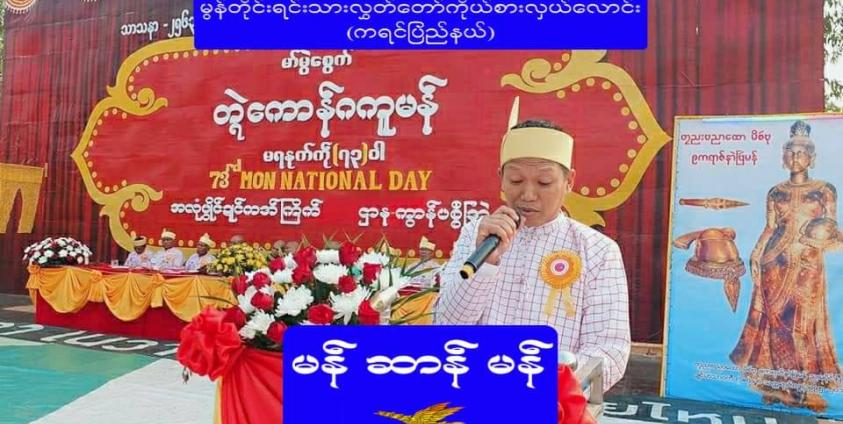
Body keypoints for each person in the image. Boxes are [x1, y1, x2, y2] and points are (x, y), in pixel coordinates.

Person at [434, 97, 631, 391]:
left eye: (544, 183)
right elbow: (447, 325)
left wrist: (545, 386)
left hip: (553, 402)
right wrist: (488, 263)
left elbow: (610, 351)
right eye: (516, 180)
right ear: (501, 179)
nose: (527, 195)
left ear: (569, 181)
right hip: (474, 392)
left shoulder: (598, 251)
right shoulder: (477, 234)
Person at [730, 120, 841, 412]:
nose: (795, 157)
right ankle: (778, 384)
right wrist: (756, 255)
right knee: (775, 326)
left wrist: (824, 243)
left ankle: (806, 388)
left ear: (812, 158)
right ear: (783, 156)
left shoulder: (824, 190)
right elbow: (770, 228)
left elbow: (831, 226)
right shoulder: (775, 192)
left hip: (807, 265)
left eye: (802, 152)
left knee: (803, 326)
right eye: (790, 152)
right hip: (774, 263)